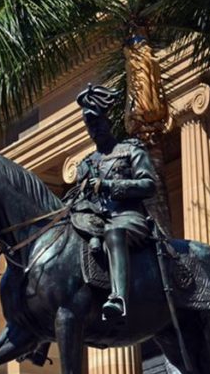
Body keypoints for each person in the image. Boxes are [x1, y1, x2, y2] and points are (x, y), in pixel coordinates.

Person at [66, 83, 158, 320]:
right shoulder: (86, 163)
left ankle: (119, 298)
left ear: (107, 120)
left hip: (128, 218)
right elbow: (79, 197)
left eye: (96, 122)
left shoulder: (130, 150)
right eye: (89, 125)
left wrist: (108, 185)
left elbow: (149, 185)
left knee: (114, 232)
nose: (93, 128)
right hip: (95, 221)